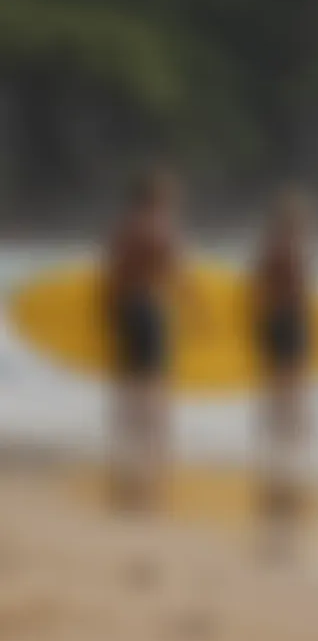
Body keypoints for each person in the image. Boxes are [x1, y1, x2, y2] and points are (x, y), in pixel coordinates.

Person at [105, 166, 193, 512]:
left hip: (125, 308)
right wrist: (198, 313)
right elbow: (178, 272)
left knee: (129, 382)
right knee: (157, 382)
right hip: (150, 309)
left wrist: (109, 313)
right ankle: (156, 453)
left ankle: (125, 449)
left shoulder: (124, 228)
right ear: (157, 196)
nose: (175, 200)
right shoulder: (160, 227)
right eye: (170, 194)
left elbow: (111, 275)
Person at [251, 187, 312, 561]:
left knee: (278, 390)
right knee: (292, 391)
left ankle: (276, 450)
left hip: (273, 322)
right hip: (289, 323)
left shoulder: (268, 249)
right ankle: (289, 455)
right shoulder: (290, 250)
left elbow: (258, 292)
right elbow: (300, 294)